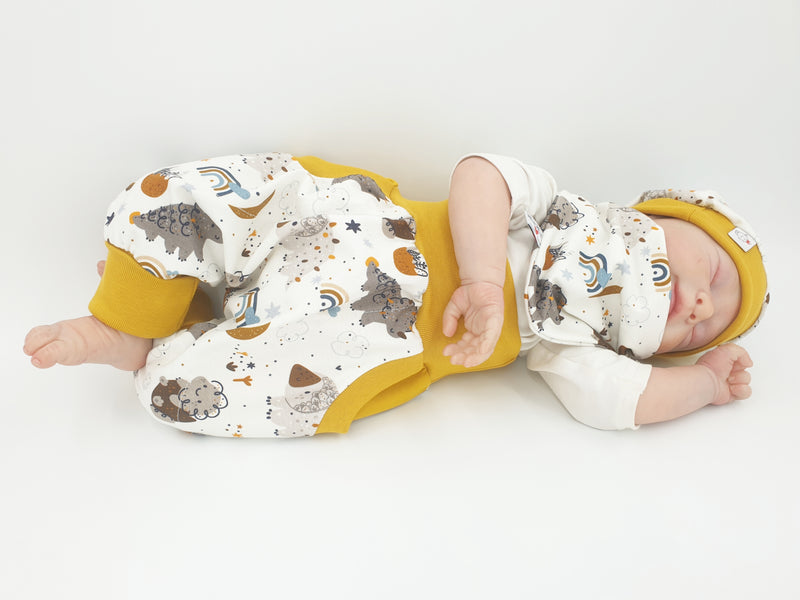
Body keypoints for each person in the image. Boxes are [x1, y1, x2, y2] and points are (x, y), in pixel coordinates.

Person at [23, 153, 769, 437]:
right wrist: (482, 278)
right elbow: (480, 175)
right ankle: (138, 303)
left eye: (702, 328)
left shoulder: (571, 339)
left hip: (372, 337)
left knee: (217, 393)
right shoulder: (552, 209)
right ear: (660, 216)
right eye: (713, 273)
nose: (703, 307)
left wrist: (702, 383)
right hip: (360, 227)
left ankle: (151, 339)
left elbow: (617, 403)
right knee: (189, 198)